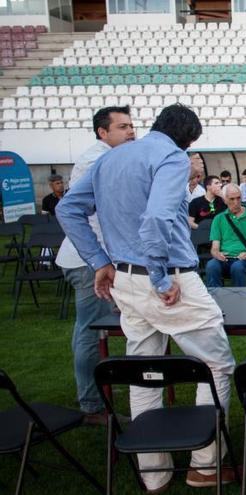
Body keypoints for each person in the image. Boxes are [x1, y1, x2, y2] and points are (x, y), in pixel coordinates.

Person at [56, 104, 236, 491]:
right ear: (187, 139)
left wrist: (99, 260)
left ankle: (153, 473)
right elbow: (156, 218)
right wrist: (158, 275)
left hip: (123, 278)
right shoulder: (171, 155)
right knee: (217, 364)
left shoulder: (110, 159)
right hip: (166, 279)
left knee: (144, 370)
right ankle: (205, 465)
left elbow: (68, 209)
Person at [55, 105, 135, 424]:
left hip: (98, 258)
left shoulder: (109, 156)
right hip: (89, 260)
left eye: (132, 125)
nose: (131, 132)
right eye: (122, 127)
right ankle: (91, 404)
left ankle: (111, 387)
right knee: (91, 331)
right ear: (103, 133)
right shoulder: (97, 159)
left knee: (104, 328)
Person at [206, 184, 246, 287]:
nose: (236, 202)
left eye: (239, 198)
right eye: (232, 199)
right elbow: (215, 247)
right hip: (225, 258)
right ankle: (215, 299)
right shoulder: (219, 219)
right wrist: (217, 254)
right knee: (211, 265)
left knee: (237, 267)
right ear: (225, 200)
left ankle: (240, 299)